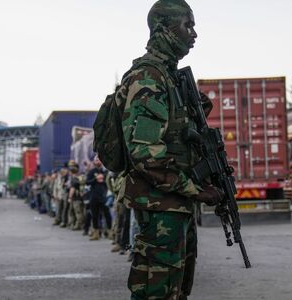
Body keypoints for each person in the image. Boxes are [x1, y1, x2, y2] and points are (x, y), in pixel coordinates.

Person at [119, 1, 222, 298]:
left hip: (175, 205)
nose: (194, 34)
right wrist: (196, 190)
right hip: (160, 205)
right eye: (187, 25)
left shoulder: (171, 77)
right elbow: (145, 156)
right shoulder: (149, 77)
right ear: (163, 29)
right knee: (157, 292)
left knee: (176, 291)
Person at [85, 157, 109, 241]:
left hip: (104, 196)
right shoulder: (92, 171)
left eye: (99, 159)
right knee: (95, 216)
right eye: (96, 160)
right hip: (94, 197)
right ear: (94, 162)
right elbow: (87, 182)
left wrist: (103, 178)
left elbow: (109, 181)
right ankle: (96, 233)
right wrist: (95, 179)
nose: (97, 161)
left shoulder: (105, 171)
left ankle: (109, 232)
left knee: (107, 215)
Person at [67, 161, 85, 231]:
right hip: (80, 198)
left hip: (75, 198)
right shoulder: (78, 178)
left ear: (71, 172)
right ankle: (76, 224)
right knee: (79, 211)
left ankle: (78, 225)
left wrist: (69, 197)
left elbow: (72, 190)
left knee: (78, 212)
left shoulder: (74, 180)